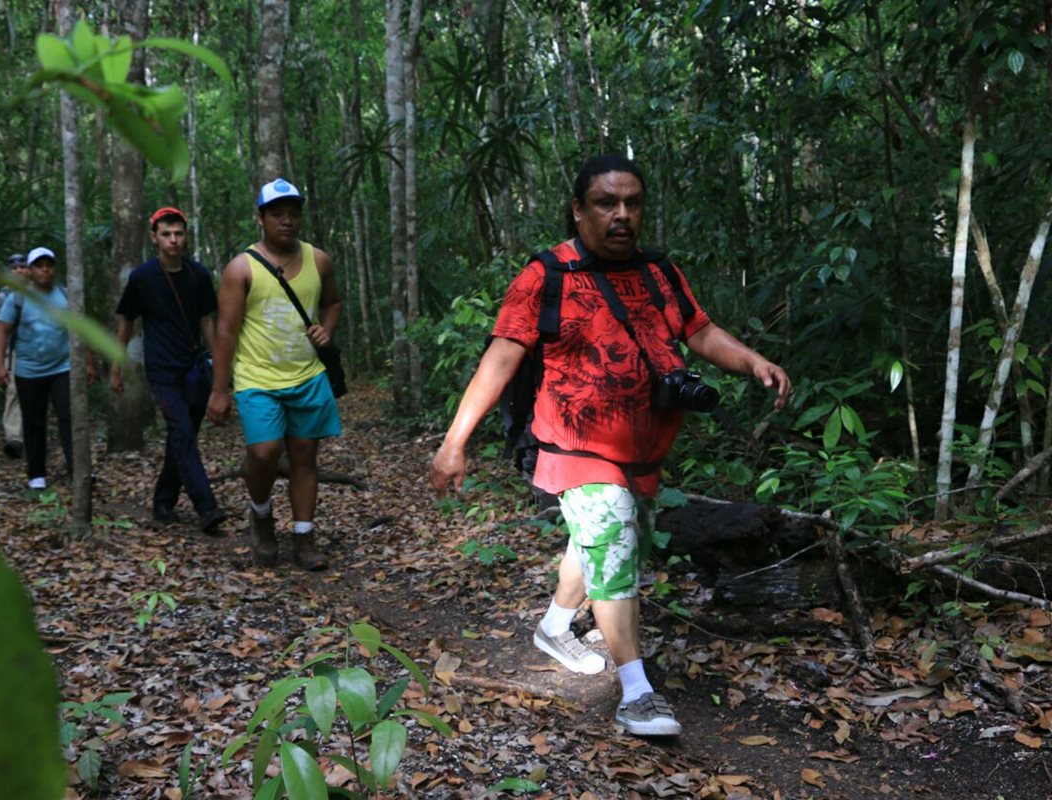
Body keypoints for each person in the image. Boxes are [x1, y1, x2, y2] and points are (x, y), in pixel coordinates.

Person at [429, 154, 791, 737]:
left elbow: (697, 330)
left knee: (605, 540)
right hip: (575, 446)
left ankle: (553, 626)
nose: (621, 215)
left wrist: (753, 361)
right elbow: (501, 357)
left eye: (632, 203)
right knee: (614, 537)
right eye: (605, 203)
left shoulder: (659, 272)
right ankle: (636, 692)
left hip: (643, 446)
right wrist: (455, 441)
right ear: (578, 210)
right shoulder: (546, 276)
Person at [205, 179, 343, 570]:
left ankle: (303, 537)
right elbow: (226, 331)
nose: (287, 221)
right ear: (261, 218)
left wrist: (327, 329)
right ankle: (261, 514)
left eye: (293, 213)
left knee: (304, 456)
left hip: (307, 376)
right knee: (264, 453)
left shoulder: (318, 260)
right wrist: (219, 390)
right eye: (277, 214)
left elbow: (333, 303)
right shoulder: (240, 268)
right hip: (257, 380)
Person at [111, 207, 227, 534]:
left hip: (194, 369)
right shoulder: (142, 277)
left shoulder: (198, 275)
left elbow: (208, 322)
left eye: (178, 233)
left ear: (185, 235)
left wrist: (220, 370)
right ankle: (207, 508)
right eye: (166, 234)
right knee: (183, 434)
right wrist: (116, 369)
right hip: (162, 370)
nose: (173, 240)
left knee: (182, 436)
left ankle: (163, 500)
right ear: (155, 238)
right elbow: (126, 324)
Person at [0, 246, 95, 490]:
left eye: (49, 265)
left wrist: (89, 362)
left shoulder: (66, 296)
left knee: (70, 419)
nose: (45, 270)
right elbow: (1, 330)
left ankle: (78, 472)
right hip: (29, 370)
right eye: (39, 266)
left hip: (63, 367)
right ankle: (36, 474)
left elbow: (81, 330)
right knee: (33, 421)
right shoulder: (17, 298)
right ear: (30, 270)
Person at [0, 253, 29, 458]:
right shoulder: (3, 296)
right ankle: (14, 438)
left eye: (23, 266)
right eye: (15, 268)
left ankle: (29, 435)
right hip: (12, 351)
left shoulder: (38, 293)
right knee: (14, 392)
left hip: (36, 352)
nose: (19, 271)